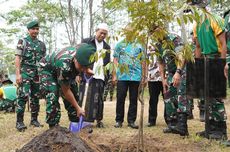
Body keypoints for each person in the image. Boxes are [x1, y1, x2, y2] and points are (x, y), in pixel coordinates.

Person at [192, 0, 228, 140]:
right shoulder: (196, 24)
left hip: (216, 57)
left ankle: (221, 131)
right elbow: (198, 47)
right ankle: (210, 128)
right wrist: (197, 65)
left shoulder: (215, 19)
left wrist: (222, 63)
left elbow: (224, 43)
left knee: (216, 96)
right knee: (206, 96)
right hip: (204, 60)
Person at [39, 43, 95, 128]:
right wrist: (78, 108)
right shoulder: (65, 66)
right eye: (82, 66)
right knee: (53, 95)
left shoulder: (81, 52)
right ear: (75, 59)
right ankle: (53, 127)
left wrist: (86, 69)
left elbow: (84, 62)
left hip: (63, 68)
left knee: (74, 93)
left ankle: (75, 122)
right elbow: (65, 91)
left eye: (86, 66)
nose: (83, 69)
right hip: (47, 70)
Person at [15, 20, 46, 131]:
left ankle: (34, 120)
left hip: (37, 75)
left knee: (35, 98)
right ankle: (19, 122)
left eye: (37, 29)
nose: (35, 31)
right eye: (33, 29)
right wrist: (18, 74)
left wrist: (43, 74)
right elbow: (18, 58)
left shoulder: (41, 44)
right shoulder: (22, 41)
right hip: (25, 73)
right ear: (29, 30)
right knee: (22, 97)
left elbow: (44, 61)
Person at [79, 23, 111, 128]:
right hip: (87, 73)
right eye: (101, 33)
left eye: (105, 34)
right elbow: (79, 56)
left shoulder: (107, 47)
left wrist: (108, 76)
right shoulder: (86, 42)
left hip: (101, 75)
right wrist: (79, 73)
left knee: (99, 99)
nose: (102, 35)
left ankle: (98, 120)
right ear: (96, 31)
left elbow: (107, 63)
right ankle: (84, 119)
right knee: (85, 96)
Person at [158, 34, 189, 136]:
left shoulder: (173, 39)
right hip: (170, 73)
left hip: (182, 71)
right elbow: (161, 62)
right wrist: (163, 79)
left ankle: (183, 128)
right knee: (169, 97)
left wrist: (178, 72)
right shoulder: (158, 44)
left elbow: (181, 56)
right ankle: (173, 125)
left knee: (181, 97)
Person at [113, 37, 144, 129]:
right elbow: (115, 60)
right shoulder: (120, 45)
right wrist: (114, 75)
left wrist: (144, 76)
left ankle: (131, 121)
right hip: (122, 76)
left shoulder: (140, 45)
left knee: (133, 99)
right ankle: (118, 120)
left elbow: (143, 61)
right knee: (120, 98)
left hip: (136, 76)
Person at [147, 46, 163, 127]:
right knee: (153, 100)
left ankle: (170, 120)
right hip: (152, 77)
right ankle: (151, 120)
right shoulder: (147, 44)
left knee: (168, 100)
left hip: (165, 78)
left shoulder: (164, 43)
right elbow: (145, 62)